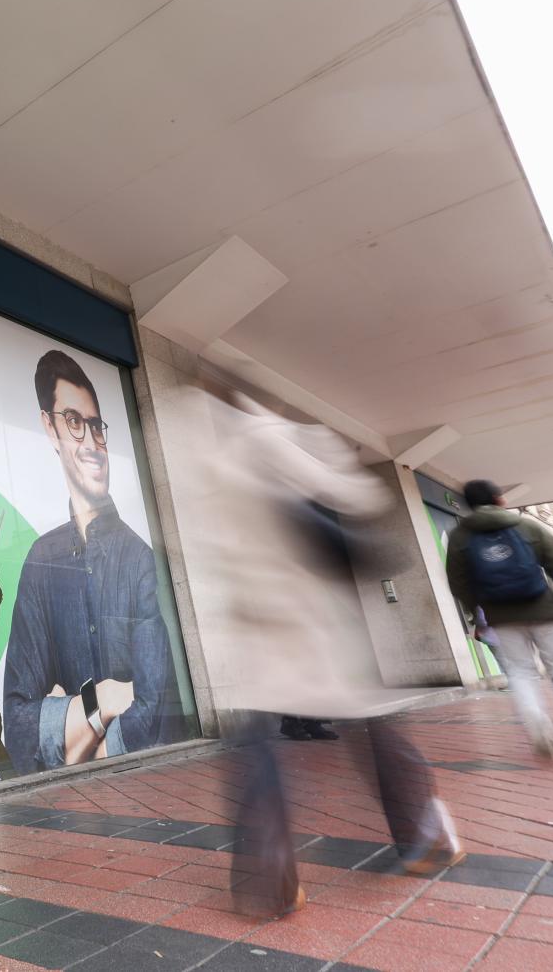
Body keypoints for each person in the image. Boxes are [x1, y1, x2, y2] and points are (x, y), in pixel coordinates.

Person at [174, 391, 463, 917]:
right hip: (303, 618)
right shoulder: (267, 437)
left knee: (264, 743)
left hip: (270, 622)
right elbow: (356, 497)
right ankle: (424, 838)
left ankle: (268, 882)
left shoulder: (210, 454)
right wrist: (326, 453)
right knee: (367, 729)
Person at [1, 351, 184, 774]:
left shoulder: (140, 560)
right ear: (50, 427)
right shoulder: (42, 561)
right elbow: (18, 726)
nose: (91, 443)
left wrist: (66, 726)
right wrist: (100, 703)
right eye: (73, 421)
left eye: (96, 426)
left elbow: (153, 717)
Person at [445, 479, 553, 760]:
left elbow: (458, 582)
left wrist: (475, 613)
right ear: (498, 498)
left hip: (501, 616)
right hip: (543, 610)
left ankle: (536, 718)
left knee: (521, 673)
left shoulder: (459, 536)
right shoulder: (527, 525)